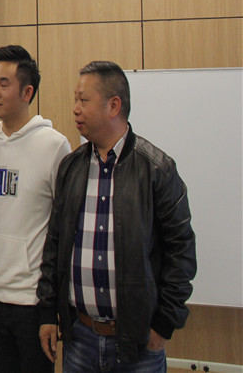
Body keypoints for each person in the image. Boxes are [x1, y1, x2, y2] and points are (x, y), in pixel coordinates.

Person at [37, 61, 197, 372]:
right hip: (80, 338)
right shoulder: (71, 167)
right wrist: (47, 312)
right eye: (75, 99)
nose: (75, 109)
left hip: (139, 343)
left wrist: (163, 325)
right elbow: (54, 243)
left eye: (84, 100)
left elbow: (182, 252)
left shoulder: (156, 169)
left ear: (113, 105)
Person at [0, 45, 71, 373]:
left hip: (33, 303)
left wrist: (51, 308)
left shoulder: (54, 146)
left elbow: (63, 229)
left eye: (4, 84)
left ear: (27, 92)